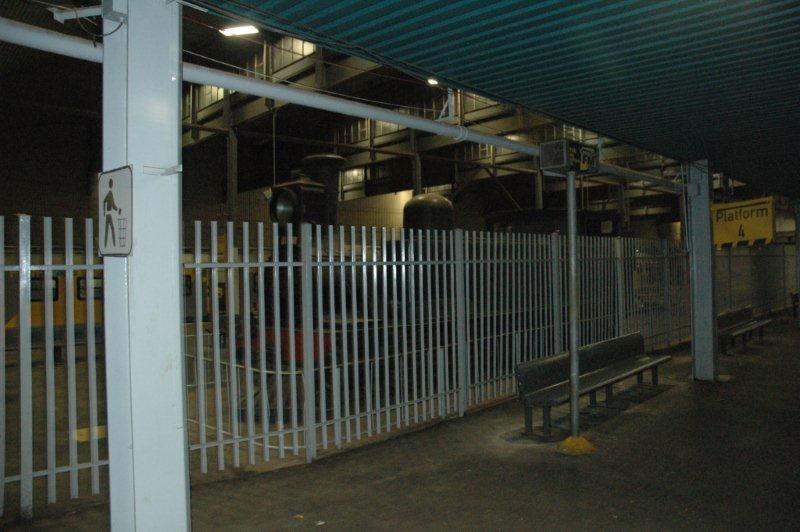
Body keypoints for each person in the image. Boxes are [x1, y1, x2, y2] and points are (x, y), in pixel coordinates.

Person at [104, 178, 122, 248]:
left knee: (108, 229)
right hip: (109, 214)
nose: (111, 184)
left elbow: (105, 201)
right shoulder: (110, 193)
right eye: (111, 183)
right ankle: (114, 245)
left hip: (108, 214)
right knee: (111, 228)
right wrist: (117, 209)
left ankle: (108, 244)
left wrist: (104, 211)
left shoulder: (109, 193)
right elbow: (113, 204)